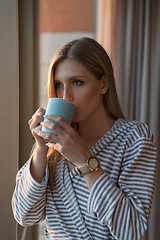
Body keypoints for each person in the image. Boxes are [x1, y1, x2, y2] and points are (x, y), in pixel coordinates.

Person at [12, 37, 157, 240]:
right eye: (58, 85)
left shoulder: (135, 138)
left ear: (103, 84)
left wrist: (83, 160)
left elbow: (130, 230)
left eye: (77, 82)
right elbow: (24, 215)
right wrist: (41, 149)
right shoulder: (55, 143)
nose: (66, 96)